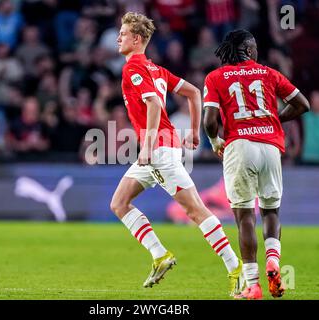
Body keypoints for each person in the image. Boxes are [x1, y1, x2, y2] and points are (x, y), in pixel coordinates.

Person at [110, 12, 242, 296]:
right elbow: (195, 92)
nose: (118, 38)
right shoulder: (155, 69)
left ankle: (235, 268)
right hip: (162, 146)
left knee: (195, 210)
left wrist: (146, 146)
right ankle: (159, 254)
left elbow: (156, 104)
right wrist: (194, 132)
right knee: (119, 203)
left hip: (157, 149)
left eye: (123, 33)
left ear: (137, 39)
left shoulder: (133, 67)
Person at [203, 30, 310, 299]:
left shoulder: (215, 77)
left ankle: (253, 285)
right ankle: (273, 261)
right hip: (271, 148)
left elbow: (209, 121)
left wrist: (215, 141)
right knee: (271, 211)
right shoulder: (269, 73)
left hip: (240, 146)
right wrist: (272, 120)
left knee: (244, 216)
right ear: (249, 50)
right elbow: (302, 104)